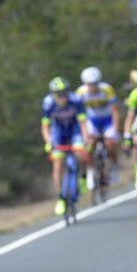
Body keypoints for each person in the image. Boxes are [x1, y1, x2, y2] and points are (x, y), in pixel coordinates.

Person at [41, 77, 91, 215]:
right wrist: (48, 142)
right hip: (58, 133)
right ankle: (61, 198)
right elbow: (45, 127)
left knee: (82, 154)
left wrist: (86, 139)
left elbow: (82, 123)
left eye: (64, 92)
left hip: (74, 130)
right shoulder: (48, 103)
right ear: (53, 93)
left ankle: (83, 178)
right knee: (57, 163)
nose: (62, 96)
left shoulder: (76, 100)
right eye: (59, 93)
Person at [76, 67, 120, 188]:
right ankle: (90, 171)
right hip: (92, 121)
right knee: (89, 144)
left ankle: (113, 166)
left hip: (108, 120)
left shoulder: (106, 89)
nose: (92, 87)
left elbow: (115, 111)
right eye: (89, 84)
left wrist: (115, 129)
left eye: (94, 84)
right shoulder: (80, 93)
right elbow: (80, 116)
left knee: (110, 143)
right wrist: (84, 132)